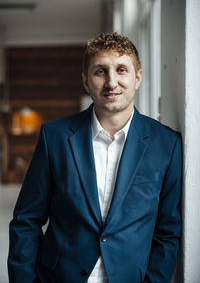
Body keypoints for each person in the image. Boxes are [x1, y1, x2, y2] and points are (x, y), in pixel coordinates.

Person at [8, 32, 182, 283]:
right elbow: (27, 220)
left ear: (138, 78)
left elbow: (168, 232)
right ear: (86, 81)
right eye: (100, 71)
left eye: (121, 70)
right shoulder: (54, 136)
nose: (112, 82)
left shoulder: (166, 144)